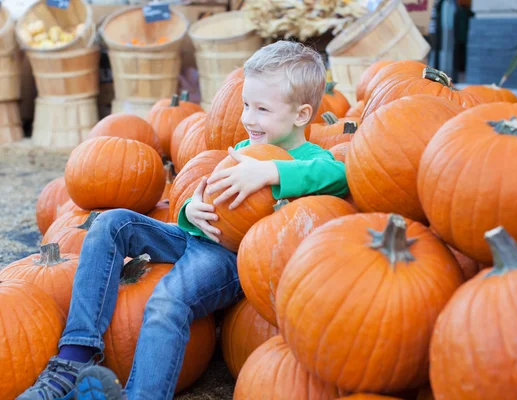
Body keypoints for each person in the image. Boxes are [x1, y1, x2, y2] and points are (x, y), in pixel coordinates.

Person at [17, 40, 349, 400]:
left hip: (232, 258)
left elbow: (342, 173)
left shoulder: (312, 159)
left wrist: (271, 171)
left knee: (166, 301)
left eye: (263, 109)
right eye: (246, 105)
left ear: (301, 115)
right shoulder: (240, 151)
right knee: (110, 225)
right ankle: (73, 360)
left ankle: (141, 395)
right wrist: (191, 211)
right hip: (196, 236)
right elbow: (205, 194)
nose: (248, 118)